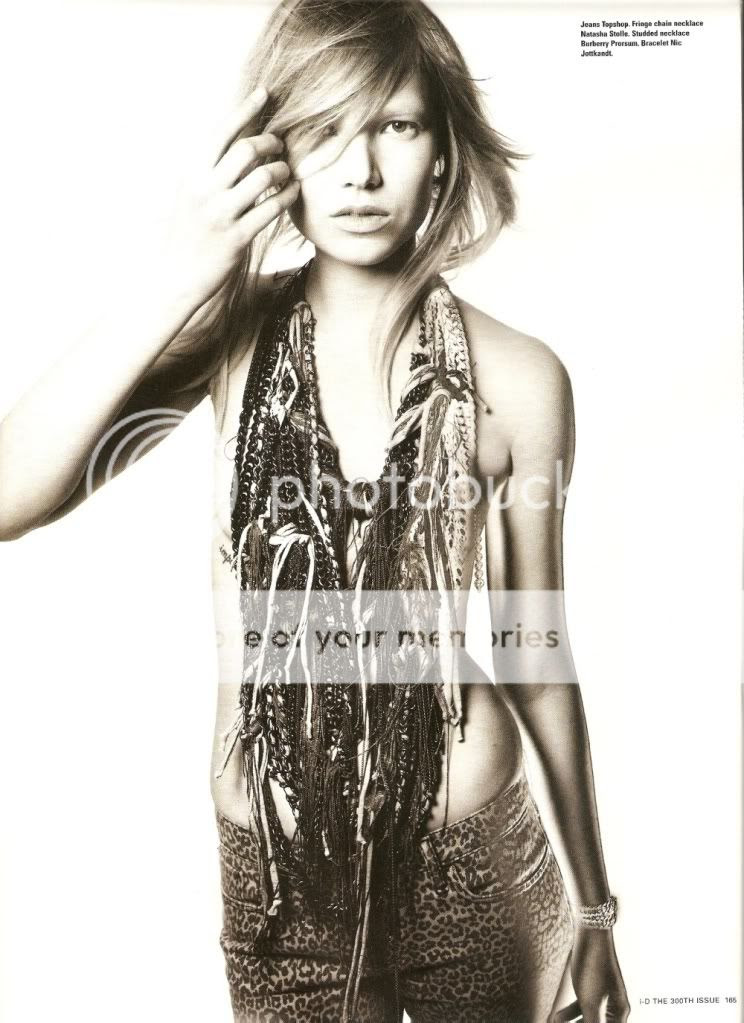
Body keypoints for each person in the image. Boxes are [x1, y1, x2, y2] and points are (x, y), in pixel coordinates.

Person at [0, 1, 630, 1021]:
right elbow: (8, 496)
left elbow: (535, 657)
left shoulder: (520, 378)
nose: (360, 170)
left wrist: (597, 911)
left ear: (443, 148)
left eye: (397, 125)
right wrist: (182, 270)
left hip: (472, 860)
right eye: (323, 129)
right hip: (276, 877)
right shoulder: (231, 340)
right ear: (274, 152)